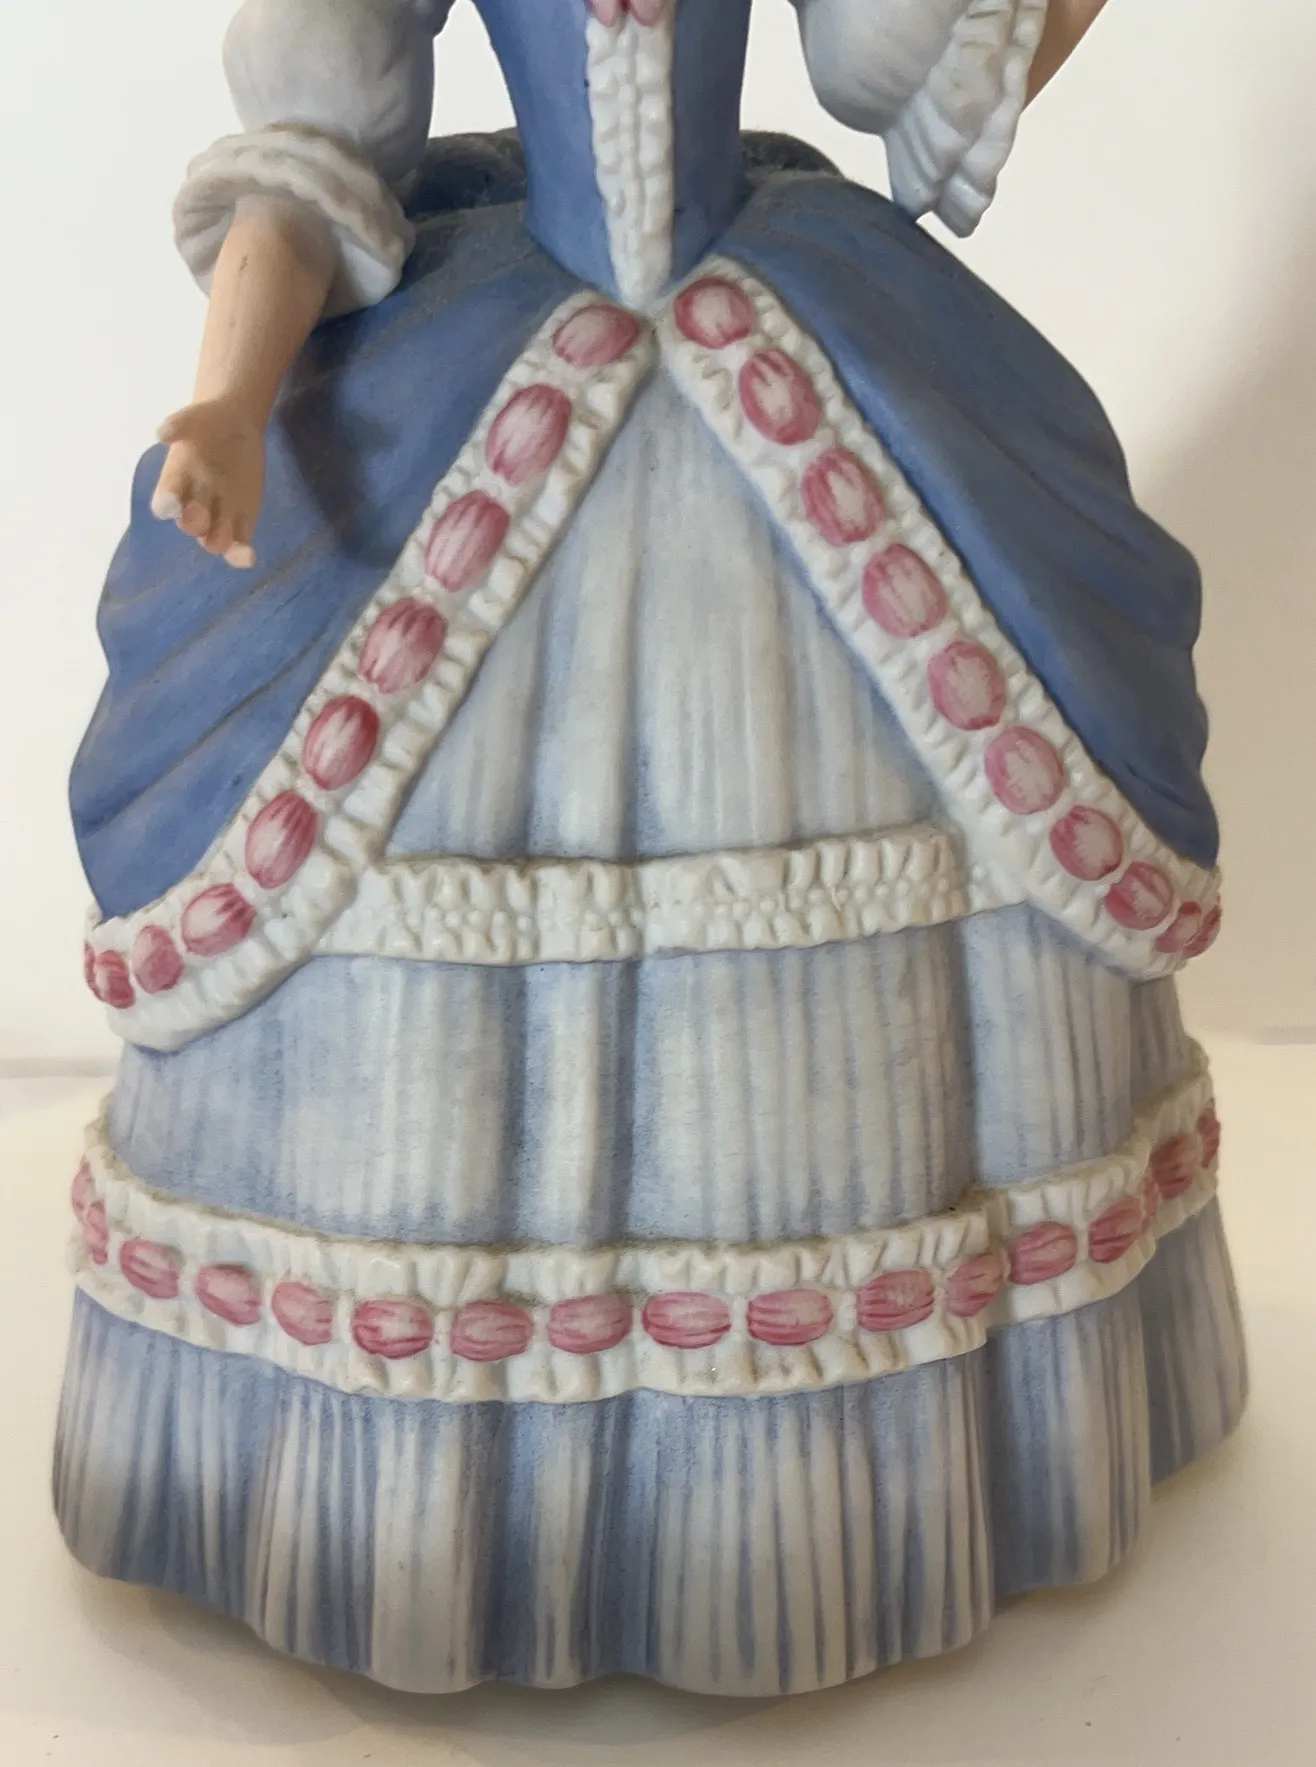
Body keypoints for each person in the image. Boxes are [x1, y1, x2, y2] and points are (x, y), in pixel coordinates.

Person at [59, 0, 1244, 1696]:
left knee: (1009, 655)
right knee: (325, 753)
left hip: (781, 314)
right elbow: (311, 159)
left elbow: (889, 64)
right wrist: (233, 405)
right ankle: (399, 1498)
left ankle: (861, 1485)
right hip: (494, 355)